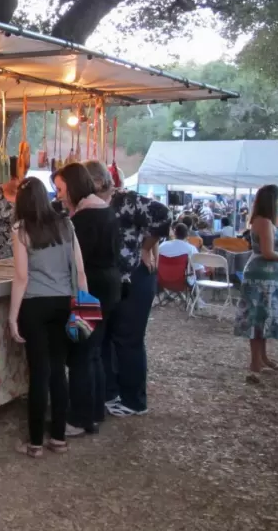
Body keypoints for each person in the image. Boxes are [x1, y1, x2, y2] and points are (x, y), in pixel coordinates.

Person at [82, 160, 170, 419]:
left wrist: (146, 247)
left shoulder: (126, 201)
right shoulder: (88, 206)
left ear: (98, 182)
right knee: (105, 337)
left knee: (128, 339)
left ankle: (134, 400)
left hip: (135, 276)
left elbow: (163, 216)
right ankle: (110, 392)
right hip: (107, 280)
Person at [8, 176, 88, 458]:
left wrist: (12, 316)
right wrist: (84, 306)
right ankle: (58, 437)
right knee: (58, 370)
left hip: (34, 305)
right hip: (64, 303)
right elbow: (79, 271)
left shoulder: (21, 229)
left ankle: (34, 443)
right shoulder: (66, 224)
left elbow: (20, 277)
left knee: (38, 373)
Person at [54, 163, 122, 437]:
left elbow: (73, 263)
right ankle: (94, 411)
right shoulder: (106, 212)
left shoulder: (81, 221)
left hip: (89, 290)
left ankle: (79, 418)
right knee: (94, 352)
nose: (58, 195)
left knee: (82, 354)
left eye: (60, 189)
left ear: (72, 187)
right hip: (109, 287)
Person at [235, 184, 278, 383]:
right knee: (257, 318)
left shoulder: (265, 222)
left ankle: (262, 358)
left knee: (263, 318)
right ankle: (255, 361)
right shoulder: (263, 222)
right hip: (261, 277)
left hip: (269, 277)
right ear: (273, 201)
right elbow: (268, 253)